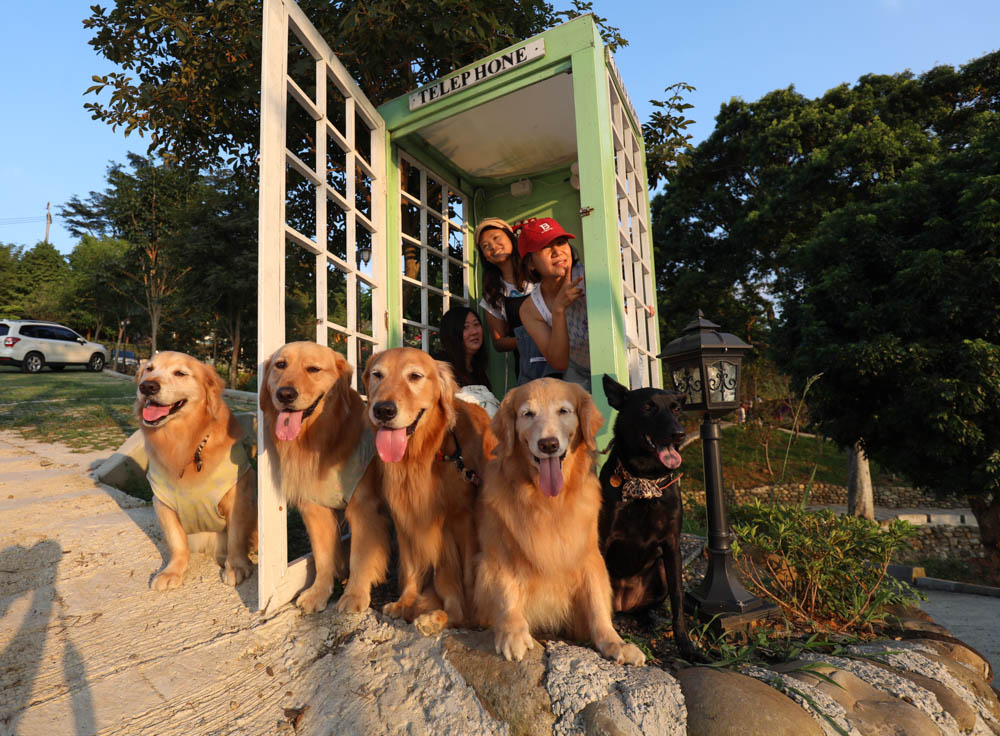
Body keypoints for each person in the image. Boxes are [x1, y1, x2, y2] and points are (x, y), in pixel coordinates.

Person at [474, 216, 552, 385]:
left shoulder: (538, 270)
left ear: (511, 238)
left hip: (562, 354)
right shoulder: (492, 293)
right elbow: (499, 342)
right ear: (485, 257)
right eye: (486, 247)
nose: (493, 247)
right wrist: (526, 340)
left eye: (496, 238)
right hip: (529, 368)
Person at [517, 217, 590, 391]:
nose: (557, 252)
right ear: (531, 264)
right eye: (545, 247)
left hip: (619, 357)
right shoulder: (530, 308)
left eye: (561, 242)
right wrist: (558, 309)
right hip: (577, 370)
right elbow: (559, 362)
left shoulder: (590, 276)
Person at [437, 306, 500, 417]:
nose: (474, 332)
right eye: (465, 327)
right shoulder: (442, 369)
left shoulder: (478, 371)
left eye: (476, 325)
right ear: (452, 333)